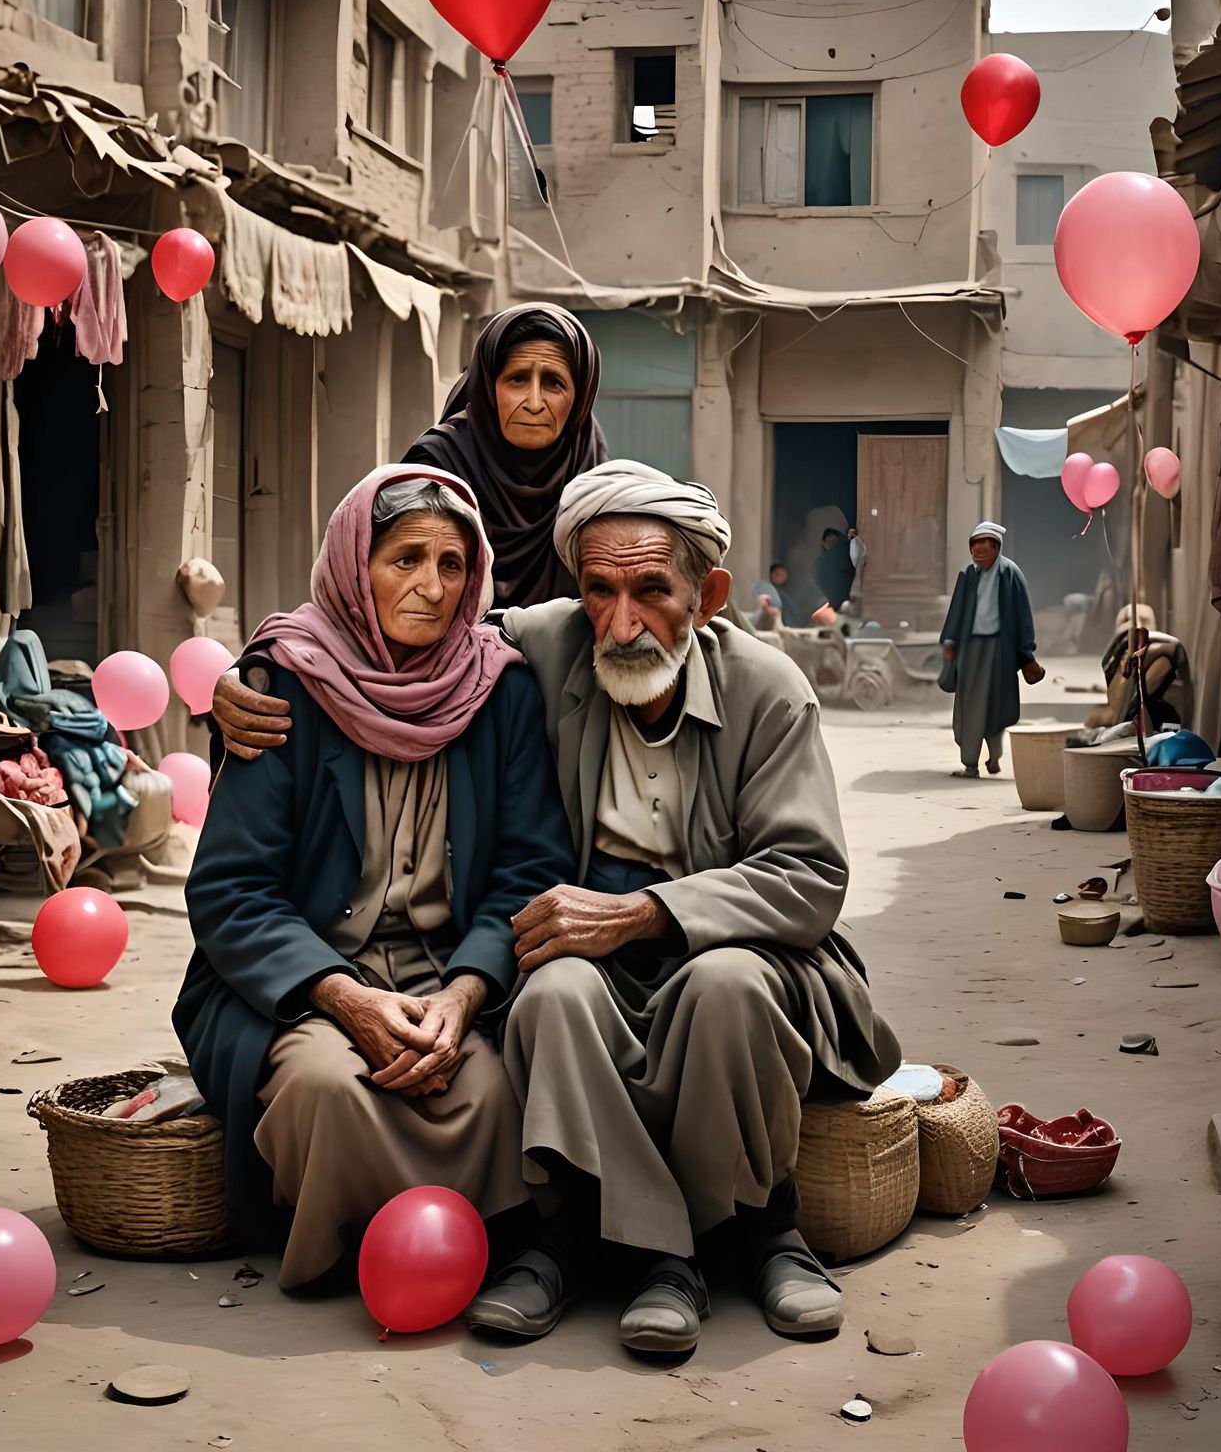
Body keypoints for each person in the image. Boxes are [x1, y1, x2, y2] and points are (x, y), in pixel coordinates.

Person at [211, 462, 901, 1356]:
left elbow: (809, 875)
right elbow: (388, 627)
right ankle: (606, 1246)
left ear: (709, 593)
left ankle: (761, 1230)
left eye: (653, 590)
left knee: (723, 987)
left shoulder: (770, 691)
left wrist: (647, 912)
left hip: (747, 952)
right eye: (599, 591)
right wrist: (241, 675)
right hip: (589, 954)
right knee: (553, 995)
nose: (621, 621)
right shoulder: (541, 645)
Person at [175, 467, 575, 1289]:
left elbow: (528, 870)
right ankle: (353, 1253)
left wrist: (464, 997)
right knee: (328, 1087)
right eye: (404, 560)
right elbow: (230, 889)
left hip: (451, 973)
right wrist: (345, 999)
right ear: (357, 565)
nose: (431, 588)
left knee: (495, 1088)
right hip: (304, 982)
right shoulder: (284, 683)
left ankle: (475, 1255)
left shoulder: (501, 691)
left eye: (452, 564)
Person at [403, 302, 608, 610]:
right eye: (518, 379)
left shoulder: (588, 465)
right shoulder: (436, 467)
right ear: (488, 387)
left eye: (554, 383)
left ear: (579, 398)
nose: (535, 403)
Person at [940, 521, 1045, 779]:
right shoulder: (968, 575)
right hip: (971, 649)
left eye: (985, 550)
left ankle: (994, 755)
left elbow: (1022, 617)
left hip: (1001, 651)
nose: (979, 555)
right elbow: (956, 612)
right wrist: (950, 643)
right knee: (971, 706)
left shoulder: (1010, 574)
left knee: (996, 705)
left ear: (997, 548)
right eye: (975, 550)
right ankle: (970, 764)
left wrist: (1025, 652)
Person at [815, 525, 855, 615]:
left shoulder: (847, 559)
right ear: (824, 544)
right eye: (829, 543)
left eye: (834, 543)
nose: (833, 547)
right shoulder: (819, 563)